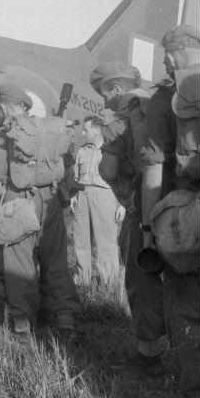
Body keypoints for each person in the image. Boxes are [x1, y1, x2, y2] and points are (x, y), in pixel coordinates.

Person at [140, 25, 200, 398]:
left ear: (177, 54)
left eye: (168, 53)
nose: (165, 60)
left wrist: (149, 228)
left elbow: (152, 168)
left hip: (191, 223)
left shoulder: (168, 96)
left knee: (190, 313)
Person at [0, 84, 81, 337]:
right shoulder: (50, 128)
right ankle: (65, 319)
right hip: (50, 199)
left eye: (0, 104)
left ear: (11, 106)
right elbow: (67, 168)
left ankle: (22, 323)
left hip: (19, 200)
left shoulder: (5, 133)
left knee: (19, 262)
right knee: (56, 260)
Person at [89, 61, 166, 375]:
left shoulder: (121, 118)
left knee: (141, 280)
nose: (105, 101)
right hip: (179, 205)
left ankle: (149, 357)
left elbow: (107, 170)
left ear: (115, 89)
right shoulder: (161, 105)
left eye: (105, 93)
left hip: (143, 209)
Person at [70, 115, 125, 285]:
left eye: (85, 130)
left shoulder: (111, 151)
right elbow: (75, 176)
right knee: (80, 241)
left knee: (106, 243)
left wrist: (122, 204)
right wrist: (74, 196)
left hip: (105, 196)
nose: (82, 133)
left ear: (96, 131)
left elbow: (122, 179)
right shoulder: (82, 151)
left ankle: (109, 283)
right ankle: (82, 279)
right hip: (82, 196)